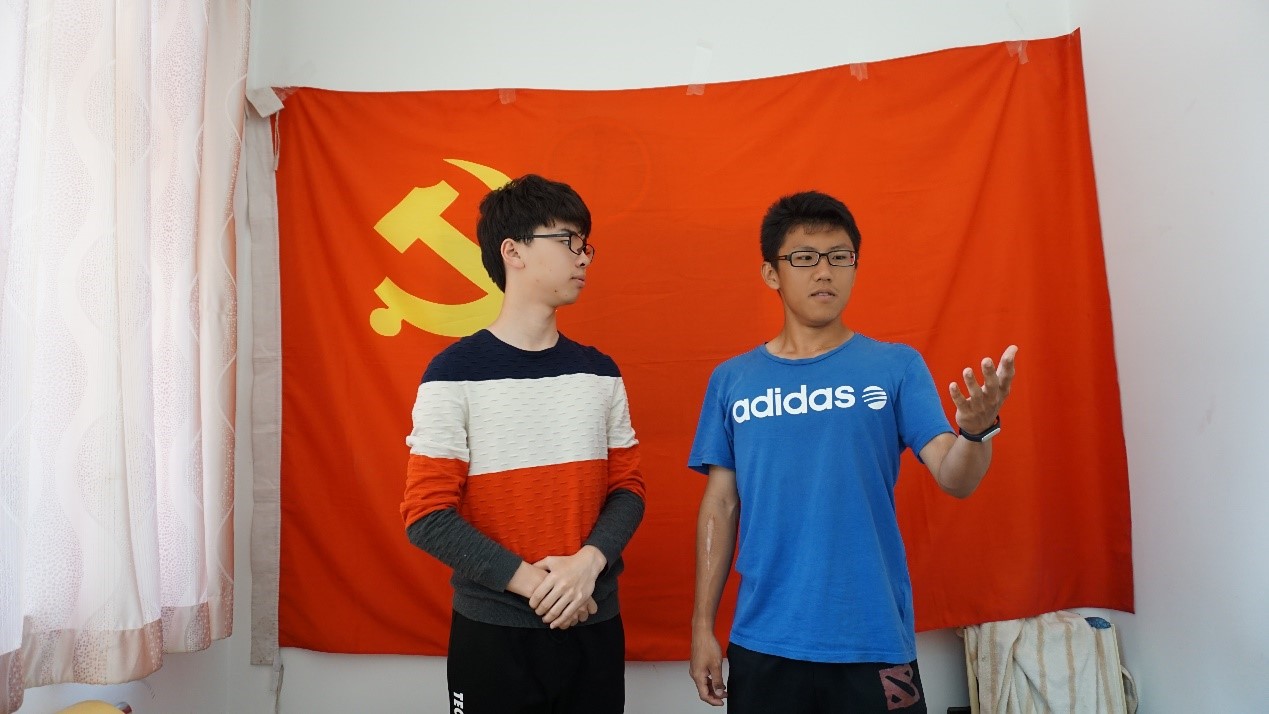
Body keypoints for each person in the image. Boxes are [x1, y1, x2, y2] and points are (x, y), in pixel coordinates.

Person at [687, 190, 1018, 713]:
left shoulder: (896, 366)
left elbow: (955, 476)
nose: (825, 272)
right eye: (805, 257)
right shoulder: (732, 380)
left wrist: (976, 433)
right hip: (764, 639)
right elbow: (721, 504)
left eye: (840, 257)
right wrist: (702, 625)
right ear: (772, 273)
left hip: (873, 636)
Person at [401, 174, 645, 713]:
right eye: (568, 241)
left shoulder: (599, 372)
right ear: (512, 252)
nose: (583, 258)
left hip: (594, 624)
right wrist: (541, 586)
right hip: (495, 635)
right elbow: (427, 516)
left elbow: (628, 490)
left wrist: (588, 565)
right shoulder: (452, 373)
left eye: (586, 245)